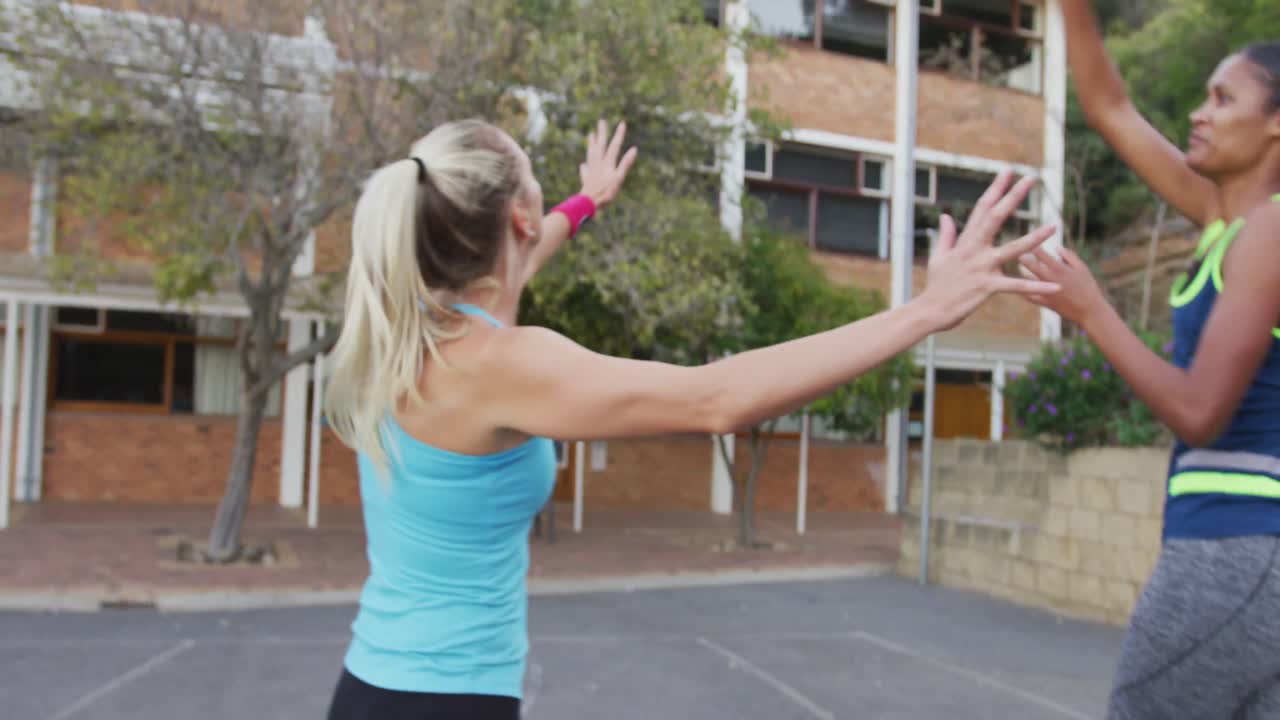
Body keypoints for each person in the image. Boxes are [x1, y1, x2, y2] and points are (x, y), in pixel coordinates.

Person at [321, 117, 1057, 720]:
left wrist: (585, 202)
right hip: (445, 701)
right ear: (514, 216)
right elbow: (717, 399)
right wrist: (925, 312)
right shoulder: (501, 364)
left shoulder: (402, 329)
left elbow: (528, 248)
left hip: (368, 686)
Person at [1016, 4, 1280, 718]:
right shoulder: (1229, 220)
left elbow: (1200, 411)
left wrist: (1091, 311)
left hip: (1236, 544)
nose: (1200, 112)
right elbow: (1109, 107)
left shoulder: (1271, 230)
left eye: (1224, 98)